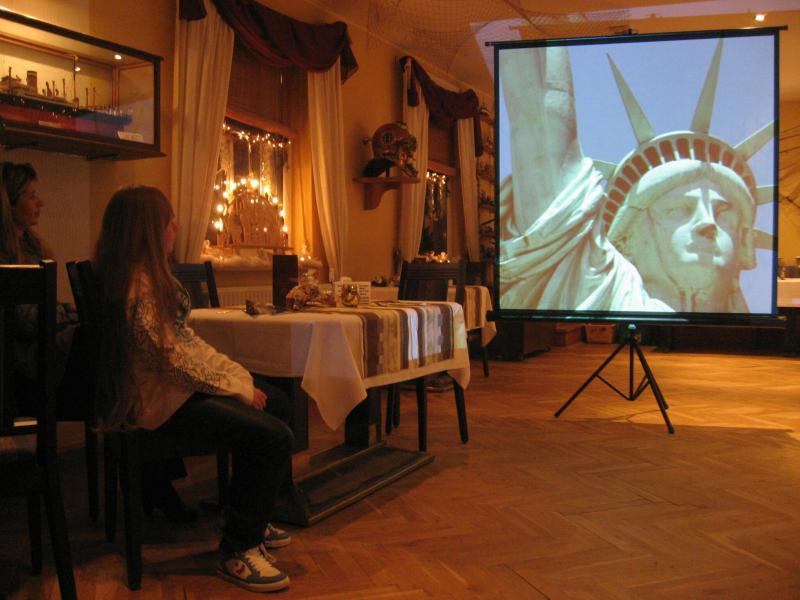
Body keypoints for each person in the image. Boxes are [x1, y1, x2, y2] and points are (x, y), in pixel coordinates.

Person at [93, 185, 294, 593]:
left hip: (172, 392)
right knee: (273, 436)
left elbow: (186, 346)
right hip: (158, 405)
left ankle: (247, 513)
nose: (176, 228)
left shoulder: (146, 278)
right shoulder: (136, 288)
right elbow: (171, 363)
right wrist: (235, 389)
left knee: (276, 401)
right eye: (168, 222)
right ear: (149, 230)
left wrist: (237, 377)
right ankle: (237, 549)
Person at [498, 39, 773, 313]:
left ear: (746, 244)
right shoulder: (591, 286)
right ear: (627, 240)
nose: (708, 223)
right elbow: (542, 127)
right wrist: (543, 30)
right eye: (678, 210)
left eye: (725, 215)